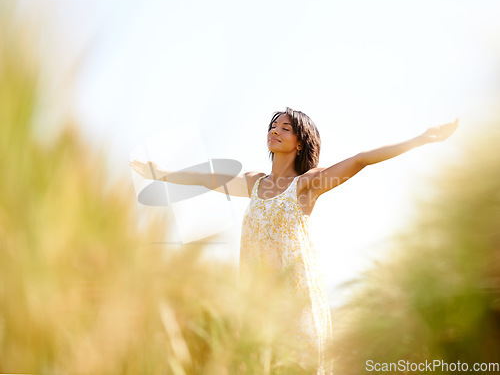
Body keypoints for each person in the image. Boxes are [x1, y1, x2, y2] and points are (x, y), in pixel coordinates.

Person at [129, 108, 459, 374]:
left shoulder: (308, 184)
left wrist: (421, 139)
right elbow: (207, 178)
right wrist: (162, 173)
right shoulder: (254, 183)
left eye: (285, 128)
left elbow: (360, 159)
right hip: (258, 297)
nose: (274, 130)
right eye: (273, 126)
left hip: (297, 300)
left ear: (300, 142)